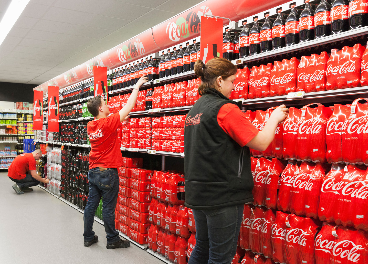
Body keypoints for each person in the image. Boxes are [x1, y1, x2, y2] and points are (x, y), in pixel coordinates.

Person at [184, 58, 288, 264]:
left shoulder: (196, 109)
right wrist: (274, 118)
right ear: (220, 81)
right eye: (232, 81)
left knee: (202, 246)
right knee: (220, 257)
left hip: (198, 193)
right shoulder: (225, 110)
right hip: (222, 195)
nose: (234, 86)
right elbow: (261, 142)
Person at [83, 76, 148, 249]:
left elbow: (107, 129)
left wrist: (120, 121)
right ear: (100, 108)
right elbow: (129, 106)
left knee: (91, 205)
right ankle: (112, 239)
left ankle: (88, 236)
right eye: (105, 103)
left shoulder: (91, 125)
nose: (107, 104)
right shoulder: (108, 122)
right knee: (108, 209)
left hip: (94, 170)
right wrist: (137, 86)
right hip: (108, 173)